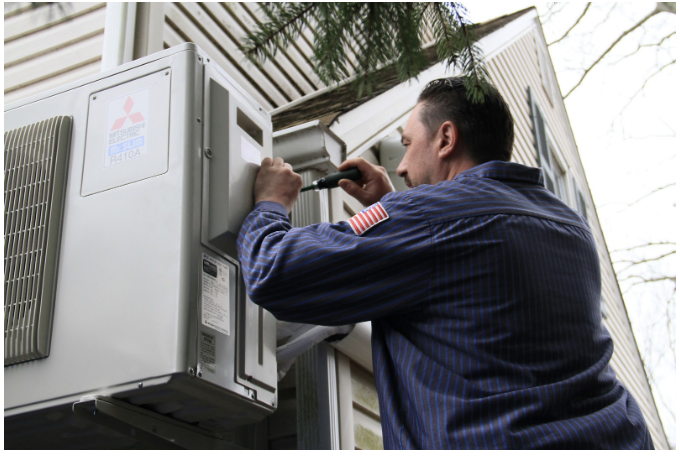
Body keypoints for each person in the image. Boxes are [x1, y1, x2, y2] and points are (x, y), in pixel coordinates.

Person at [236, 77, 653, 449]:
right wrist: (390, 207)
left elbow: (275, 270)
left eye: (406, 144)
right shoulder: (570, 227)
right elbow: (464, 280)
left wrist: (271, 203)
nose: (399, 166)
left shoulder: (428, 217)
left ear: (446, 138)